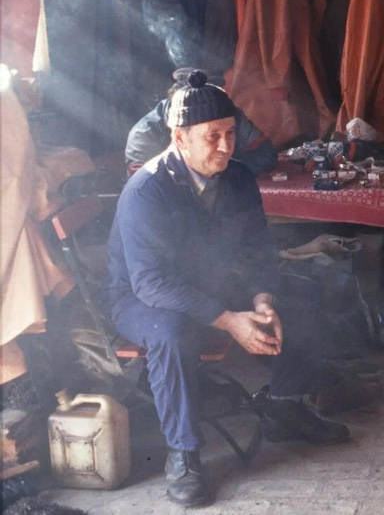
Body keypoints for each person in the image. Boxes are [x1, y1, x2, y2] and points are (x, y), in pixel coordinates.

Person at [104, 71, 349, 507]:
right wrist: (229, 319)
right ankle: (183, 453)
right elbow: (150, 282)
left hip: (211, 283)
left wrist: (262, 299)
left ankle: (287, 406)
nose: (225, 146)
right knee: (170, 334)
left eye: (231, 133)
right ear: (180, 137)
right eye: (212, 136)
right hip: (144, 298)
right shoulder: (146, 189)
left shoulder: (236, 178)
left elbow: (257, 247)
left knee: (302, 296)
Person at [125, 67, 277, 176]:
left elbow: (265, 155)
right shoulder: (145, 133)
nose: (224, 146)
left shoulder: (224, 114)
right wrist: (214, 169)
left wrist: (218, 169)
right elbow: (150, 184)